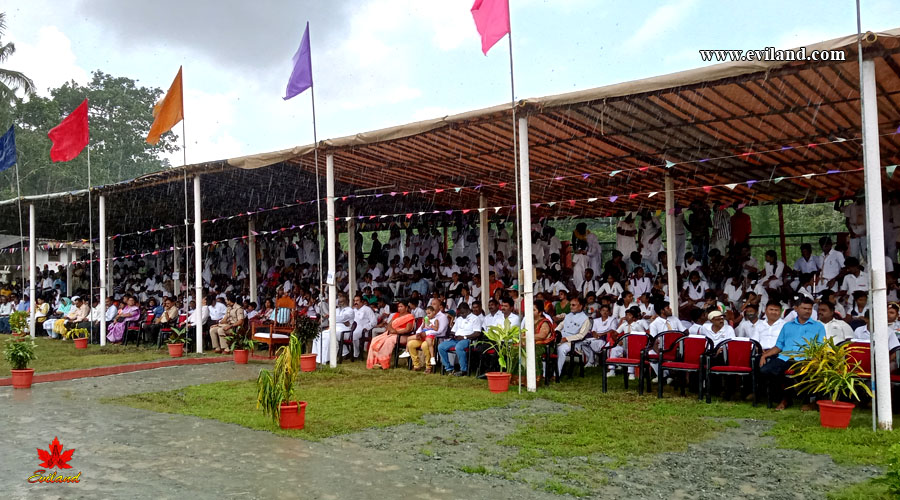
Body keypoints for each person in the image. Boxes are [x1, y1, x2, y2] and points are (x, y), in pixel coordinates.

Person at [759, 297, 824, 411]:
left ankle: (809, 401)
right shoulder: (787, 326)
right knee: (766, 370)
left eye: (810, 309)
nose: (808, 311)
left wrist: (815, 359)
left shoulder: (818, 326)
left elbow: (820, 346)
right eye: (804, 308)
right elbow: (779, 345)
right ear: (796, 309)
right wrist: (765, 355)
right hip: (785, 357)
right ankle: (785, 398)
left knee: (806, 372)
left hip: (806, 359)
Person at [366, 299, 416, 370]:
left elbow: (408, 329)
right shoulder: (396, 315)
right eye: (399, 307)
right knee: (375, 339)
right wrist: (391, 329)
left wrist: (396, 332)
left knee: (388, 341)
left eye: (401, 306)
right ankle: (375, 361)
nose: (399, 308)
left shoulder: (409, 316)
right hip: (392, 333)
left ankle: (383, 363)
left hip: (403, 336)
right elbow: (389, 324)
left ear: (406, 308)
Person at [437, 302, 482, 376]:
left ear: (468, 310)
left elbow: (477, 333)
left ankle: (463, 370)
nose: (461, 315)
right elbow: (453, 331)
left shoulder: (475, 318)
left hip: (467, 340)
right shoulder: (459, 319)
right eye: (460, 313)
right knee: (441, 346)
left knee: (459, 347)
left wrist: (464, 337)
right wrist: (452, 335)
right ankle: (449, 368)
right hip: (455, 339)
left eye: (463, 313)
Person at [554, 297, 591, 376]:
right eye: (570, 305)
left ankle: (556, 374)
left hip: (574, 342)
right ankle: (544, 373)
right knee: (547, 347)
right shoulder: (568, 315)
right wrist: (554, 333)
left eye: (573, 305)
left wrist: (566, 339)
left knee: (561, 349)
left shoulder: (585, 319)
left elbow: (581, 335)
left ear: (580, 306)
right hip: (561, 338)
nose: (571, 306)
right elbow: (561, 325)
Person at [313, 293, 353, 363]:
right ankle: (317, 357)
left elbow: (342, 318)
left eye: (342, 301)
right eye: (339, 301)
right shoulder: (336, 310)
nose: (340, 302)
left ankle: (326, 359)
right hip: (334, 328)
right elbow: (331, 319)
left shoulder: (350, 310)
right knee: (318, 336)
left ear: (346, 301)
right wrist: (337, 319)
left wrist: (335, 318)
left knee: (328, 336)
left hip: (344, 330)